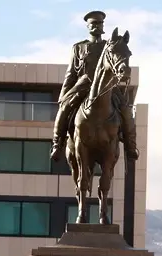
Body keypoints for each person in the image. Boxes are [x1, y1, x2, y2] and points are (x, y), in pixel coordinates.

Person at [49, 10, 138, 162]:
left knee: (125, 110)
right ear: (88, 26)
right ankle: (57, 144)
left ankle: (130, 145)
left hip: (107, 87)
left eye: (100, 23)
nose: (97, 26)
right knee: (64, 109)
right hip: (84, 85)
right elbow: (70, 74)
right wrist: (64, 96)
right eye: (94, 23)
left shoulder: (109, 46)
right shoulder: (78, 48)